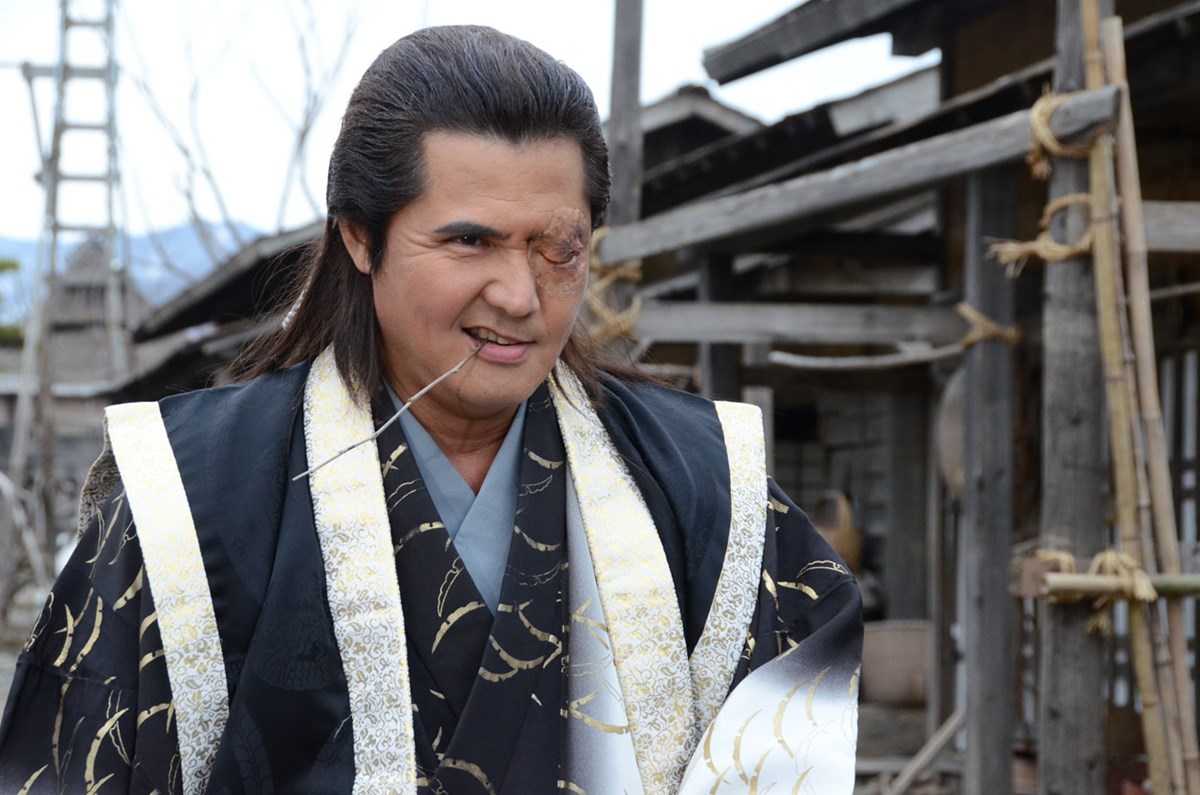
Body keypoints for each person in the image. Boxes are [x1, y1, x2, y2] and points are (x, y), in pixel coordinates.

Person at [0, 25, 861, 794]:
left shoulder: (707, 488)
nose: (520, 294)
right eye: (471, 241)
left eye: (558, 248)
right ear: (359, 235)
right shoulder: (190, 503)